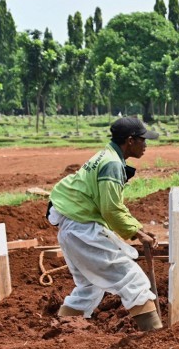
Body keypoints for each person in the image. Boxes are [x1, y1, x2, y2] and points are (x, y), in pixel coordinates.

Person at [47, 116, 162, 331]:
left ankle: (59, 333)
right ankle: (156, 338)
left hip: (74, 227)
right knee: (133, 280)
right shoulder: (111, 164)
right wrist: (137, 233)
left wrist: (139, 229)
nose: (146, 145)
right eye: (143, 140)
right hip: (82, 229)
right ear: (130, 140)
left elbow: (111, 206)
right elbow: (110, 209)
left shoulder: (106, 157)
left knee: (89, 287)